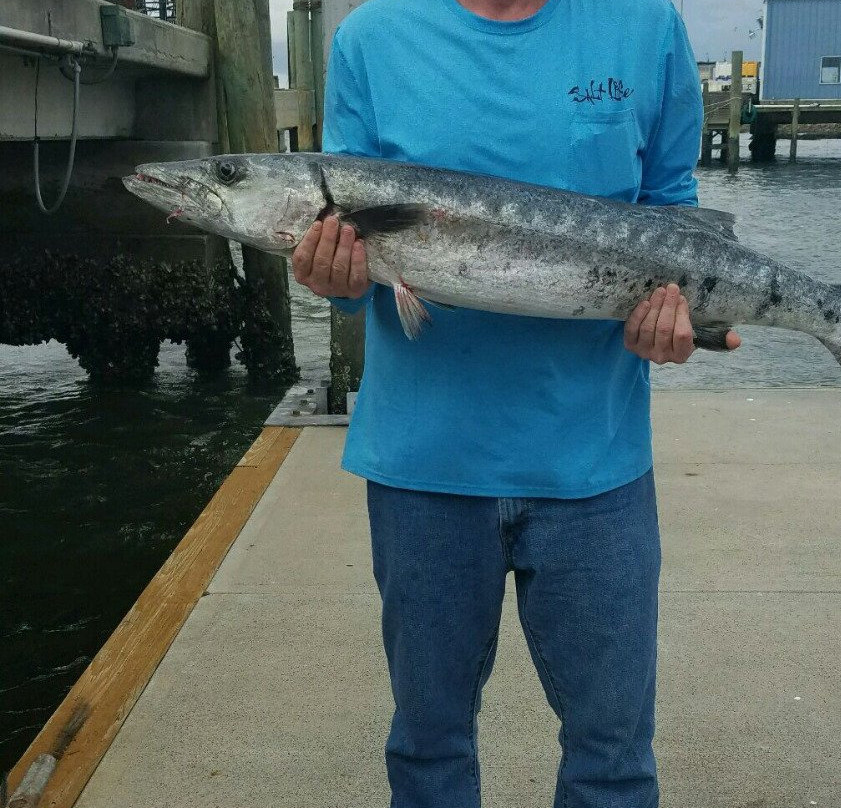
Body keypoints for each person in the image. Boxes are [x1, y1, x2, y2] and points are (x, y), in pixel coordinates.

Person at [292, 0, 740, 805]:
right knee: (427, 750)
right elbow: (356, 280)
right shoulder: (371, 37)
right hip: (422, 468)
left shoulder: (646, 24)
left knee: (613, 758)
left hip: (596, 466)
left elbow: (673, 205)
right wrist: (335, 278)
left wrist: (682, 323)